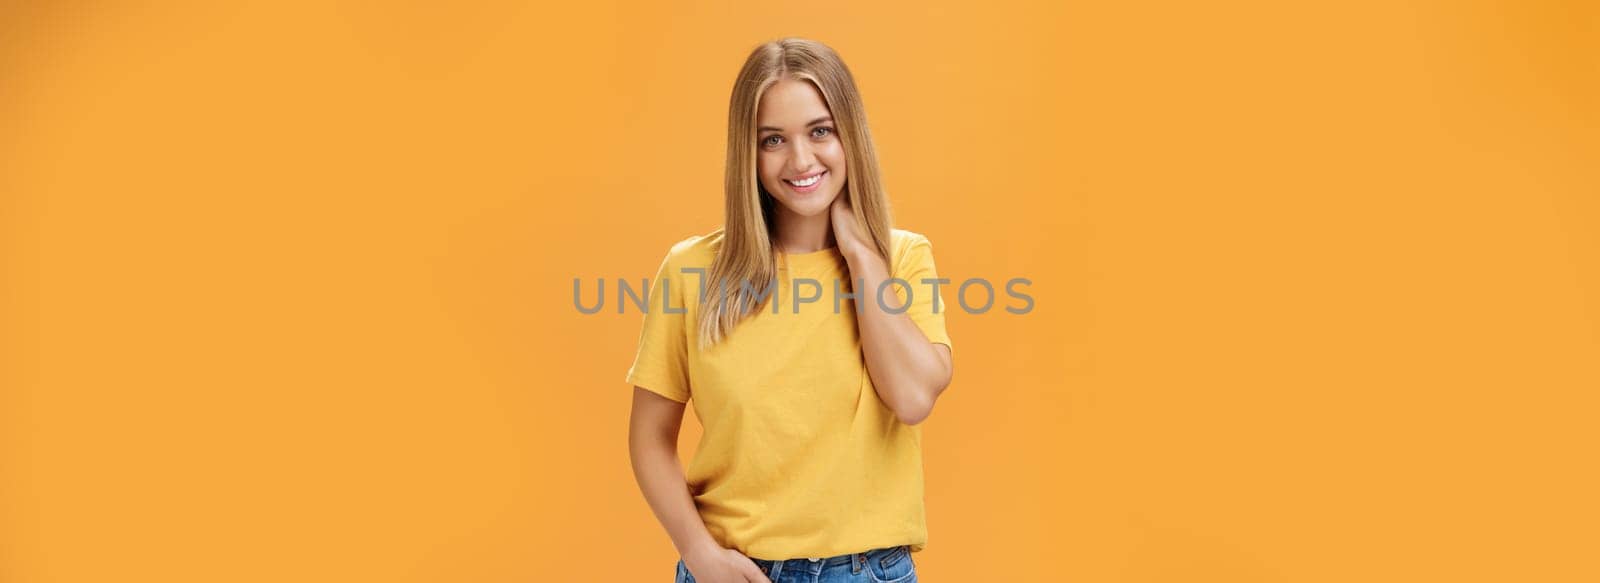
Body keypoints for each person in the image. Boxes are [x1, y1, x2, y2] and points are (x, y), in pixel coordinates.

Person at [626, 37, 953, 583]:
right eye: (772, 140)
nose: (800, 160)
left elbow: (913, 397)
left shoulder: (904, 258)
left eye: (820, 131)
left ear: (849, 133)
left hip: (866, 572)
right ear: (747, 153)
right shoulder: (691, 270)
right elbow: (649, 439)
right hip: (734, 570)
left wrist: (861, 256)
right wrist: (699, 554)